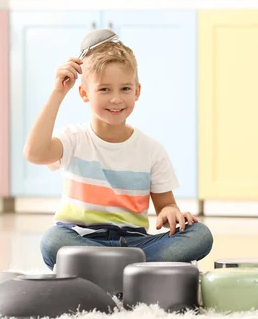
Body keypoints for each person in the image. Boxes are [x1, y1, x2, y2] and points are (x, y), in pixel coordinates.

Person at [23, 32, 213, 270]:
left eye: (124, 88)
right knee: (53, 240)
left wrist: (172, 213)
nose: (116, 99)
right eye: (104, 89)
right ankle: (130, 270)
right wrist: (58, 93)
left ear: (137, 91)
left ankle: (107, 269)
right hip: (81, 240)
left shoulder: (151, 150)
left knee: (200, 234)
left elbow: (166, 206)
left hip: (134, 244)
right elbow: (34, 153)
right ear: (84, 93)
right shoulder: (73, 139)